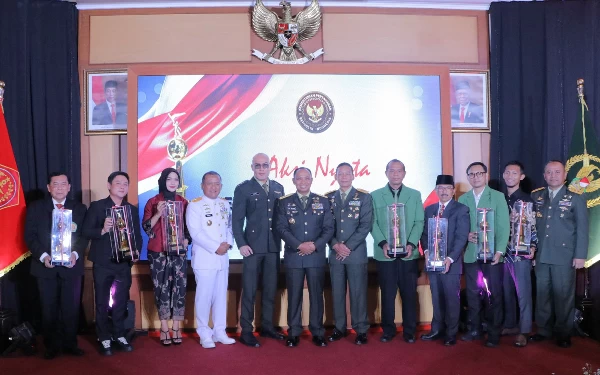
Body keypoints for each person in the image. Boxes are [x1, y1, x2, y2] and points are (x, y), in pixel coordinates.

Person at [24, 172, 88, 359]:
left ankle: (70, 344)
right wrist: (43, 256)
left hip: (71, 267)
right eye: (55, 184)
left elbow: (84, 236)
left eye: (63, 184)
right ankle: (51, 346)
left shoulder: (80, 208)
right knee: (48, 307)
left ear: (69, 187)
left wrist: (75, 255)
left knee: (71, 308)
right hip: (45, 267)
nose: (59, 187)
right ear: (48, 187)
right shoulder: (36, 208)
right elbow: (30, 236)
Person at [529, 160, 588, 348]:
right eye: (549, 172)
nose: (553, 175)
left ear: (564, 176)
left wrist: (580, 255)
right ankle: (544, 330)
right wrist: (530, 249)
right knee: (542, 294)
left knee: (563, 295)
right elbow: (531, 226)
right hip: (541, 254)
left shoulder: (575, 198)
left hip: (564, 255)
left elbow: (583, 229)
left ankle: (563, 332)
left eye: (557, 172)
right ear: (544, 175)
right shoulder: (536, 197)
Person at [83, 171, 142, 356]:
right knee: (101, 302)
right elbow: (85, 231)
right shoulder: (98, 207)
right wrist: (102, 229)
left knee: (120, 301)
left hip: (123, 263)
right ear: (109, 186)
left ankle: (119, 334)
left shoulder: (131, 209)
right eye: (118, 183)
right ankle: (104, 337)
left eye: (126, 183)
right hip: (103, 262)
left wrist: (136, 251)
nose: (122, 186)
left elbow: (137, 235)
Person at [275, 167, 334, 348]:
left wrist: (314, 245)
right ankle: (293, 333)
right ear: (293, 181)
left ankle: (317, 332)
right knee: (294, 296)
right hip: (294, 255)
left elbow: (329, 228)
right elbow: (281, 228)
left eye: (306, 178)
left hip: (315, 256)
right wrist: (299, 245)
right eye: (299, 179)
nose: (303, 182)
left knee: (317, 295)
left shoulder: (323, 201)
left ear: (311, 180)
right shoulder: (284, 202)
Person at [233, 153, 286, 348]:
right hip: (252, 248)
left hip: (273, 247)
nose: (261, 169)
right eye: (257, 166)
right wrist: (241, 243)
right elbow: (237, 220)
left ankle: (267, 326)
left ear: (270, 166)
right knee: (250, 290)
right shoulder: (243, 189)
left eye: (265, 165)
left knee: (270, 289)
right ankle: (246, 330)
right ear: (252, 167)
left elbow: (281, 219)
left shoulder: (278, 188)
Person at [370, 159, 424, 344]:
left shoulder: (414, 195)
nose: (395, 174)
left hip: (408, 254)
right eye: (392, 171)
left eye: (399, 171)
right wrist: (383, 243)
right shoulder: (375, 195)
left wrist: (411, 244)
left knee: (409, 293)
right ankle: (388, 330)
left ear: (404, 173)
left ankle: (409, 331)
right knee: (387, 294)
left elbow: (419, 222)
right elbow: (372, 223)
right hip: (385, 255)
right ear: (386, 173)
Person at [457, 162, 509, 347]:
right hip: (471, 254)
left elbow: (504, 226)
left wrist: (500, 251)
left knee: (494, 295)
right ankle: (475, 329)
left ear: (485, 175)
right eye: (471, 174)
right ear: (468, 177)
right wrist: (466, 236)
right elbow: (459, 227)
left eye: (479, 173)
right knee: (472, 294)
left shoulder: (497, 196)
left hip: (493, 255)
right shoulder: (462, 199)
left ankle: (494, 333)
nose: (475, 177)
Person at [186, 171, 236, 349]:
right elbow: (196, 232)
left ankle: (220, 331)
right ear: (202, 185)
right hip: (206, 258)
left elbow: (230, 227)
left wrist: (228, 244)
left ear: (221, 186)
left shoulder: (224, 204)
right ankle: (204, 333)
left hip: (223, 258)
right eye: (210, 183)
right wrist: (216, 246)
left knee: (220, 296)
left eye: (217, 183)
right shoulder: (195, 205)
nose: (214, 187)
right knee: (204, 297)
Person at [325, 163, 373, 345]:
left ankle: (361, 329)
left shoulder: (363, 197)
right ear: (336, 176)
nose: (344, 176)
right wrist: (335, 245)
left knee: (358, 292)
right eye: (340, 174)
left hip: (356, 253)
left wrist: (348, 247)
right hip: (335, 253)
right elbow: (325, 226)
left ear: (353, 176)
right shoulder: (328, 198)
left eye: (347, 173)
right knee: (337, 292)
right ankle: (339, 328)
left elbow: (365, 225)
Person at [142, 168, 191, 346]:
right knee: (161, 288)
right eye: (169, 179)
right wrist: (158, 214)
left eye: (175, 179)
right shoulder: (153, 202)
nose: (172, 182)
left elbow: (189, 229)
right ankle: (164, 327)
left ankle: (176, 326)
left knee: (179, 288)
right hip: (158, 252)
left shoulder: (184, 202)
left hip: (178, 253)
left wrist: (186, 240)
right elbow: (147, 228)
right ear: (163, 181)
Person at [420, 174, 470, 346]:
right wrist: (426, 251)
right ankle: (436, 329)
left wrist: (450, 258)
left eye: (447, 188)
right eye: (440, 188)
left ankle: (451, 332)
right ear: (435, 190)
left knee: (451, 299)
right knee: (437, 297)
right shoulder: (429, 209)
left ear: (453, 190)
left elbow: (461, 237)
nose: (444, 191)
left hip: (451, 263)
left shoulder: (461, 209)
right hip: (432, 262)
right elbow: (424, 234)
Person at [501, 161, 537, 347]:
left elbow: (533, 226)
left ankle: (524, 330)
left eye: (514, 173)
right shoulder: (499, 199)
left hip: (520, 253)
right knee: (506, 291)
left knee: (523, 292)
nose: (510, 176)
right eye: (507, 172)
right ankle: (510, 324)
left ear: (521, 177)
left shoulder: (527, 200)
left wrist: (532, 246)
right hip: (501, 252)